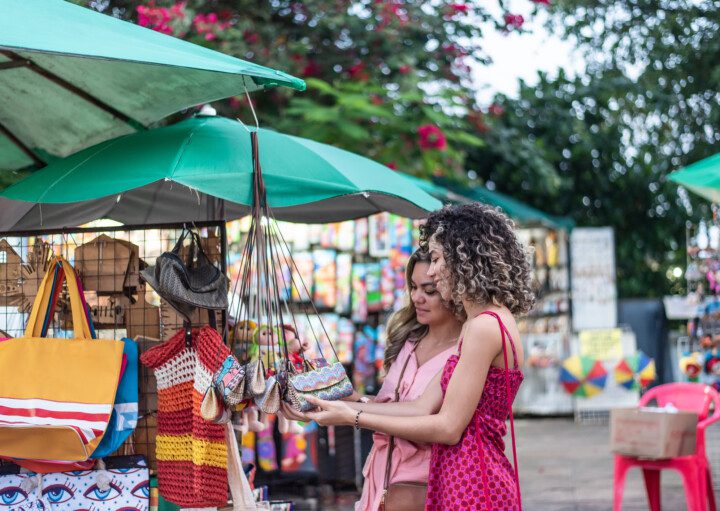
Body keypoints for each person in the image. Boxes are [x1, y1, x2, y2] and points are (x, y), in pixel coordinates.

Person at [283, 203, 534, 510]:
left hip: (472, 482)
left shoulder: (483, 327)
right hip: (466, 477)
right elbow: (419, 407)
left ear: (463, 258)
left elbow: (447, 427)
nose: (433, 269)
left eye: (438, 258)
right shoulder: (487, 322)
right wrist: (337, 406)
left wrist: (352, 416)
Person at [355, 249, 462, 511]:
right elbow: (388, 404)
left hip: (425, 483)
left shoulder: (464, 351)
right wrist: (342, 397)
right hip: (380, 478)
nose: (417, 298)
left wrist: (351, 413)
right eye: (413, 287)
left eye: (429, 290)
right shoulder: (408, 340)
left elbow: (430, 417)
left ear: (454, 291)